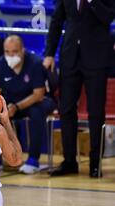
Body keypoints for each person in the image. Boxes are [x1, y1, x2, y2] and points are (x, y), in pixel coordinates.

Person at [43, 0, 115, 178]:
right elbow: (57, 21)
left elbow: (108, 17)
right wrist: (50, 53)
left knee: (96, 112)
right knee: (66, 109)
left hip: (97, 58)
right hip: (70, 57)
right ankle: (69, 162)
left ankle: (95, 162)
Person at [0, 35, 55, 174]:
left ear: (22, 50)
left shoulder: (35, 63)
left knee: (36, 112)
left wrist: (16, 107)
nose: (10, 55)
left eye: (14, 52)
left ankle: (33, 160)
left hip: (38, 101)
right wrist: (3, 108)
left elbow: (38, 94)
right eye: (7, 52)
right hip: (11, 102)